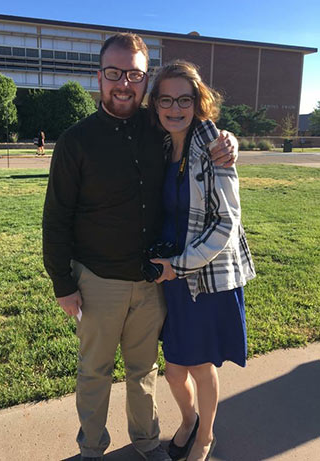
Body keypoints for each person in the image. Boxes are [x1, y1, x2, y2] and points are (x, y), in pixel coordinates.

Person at [42, 34, 238, 461]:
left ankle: (148, 442)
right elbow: (56, 216)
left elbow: (197, 125)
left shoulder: (159, 128)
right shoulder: (76, 140)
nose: (124, 83)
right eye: (114, 73)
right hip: (98, 281)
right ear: (99, 77)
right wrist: (62, 281)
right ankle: (92, 448)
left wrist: (228, 140)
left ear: (144, 79)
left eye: (134, 74)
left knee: (143, 372)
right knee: (94, 372)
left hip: (153, 280)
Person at [147, 61, 256, 461]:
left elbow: (228, 221)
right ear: (155, 104)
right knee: (175, 368)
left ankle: (205, 436)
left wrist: (181, 264)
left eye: (184, 99)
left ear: (198, 102)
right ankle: (189, 419)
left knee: (200, 365)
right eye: (166, 99)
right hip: (169, 272)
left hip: (202, 275)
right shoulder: (158, 142)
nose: (175, 108)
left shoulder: (212, 145)